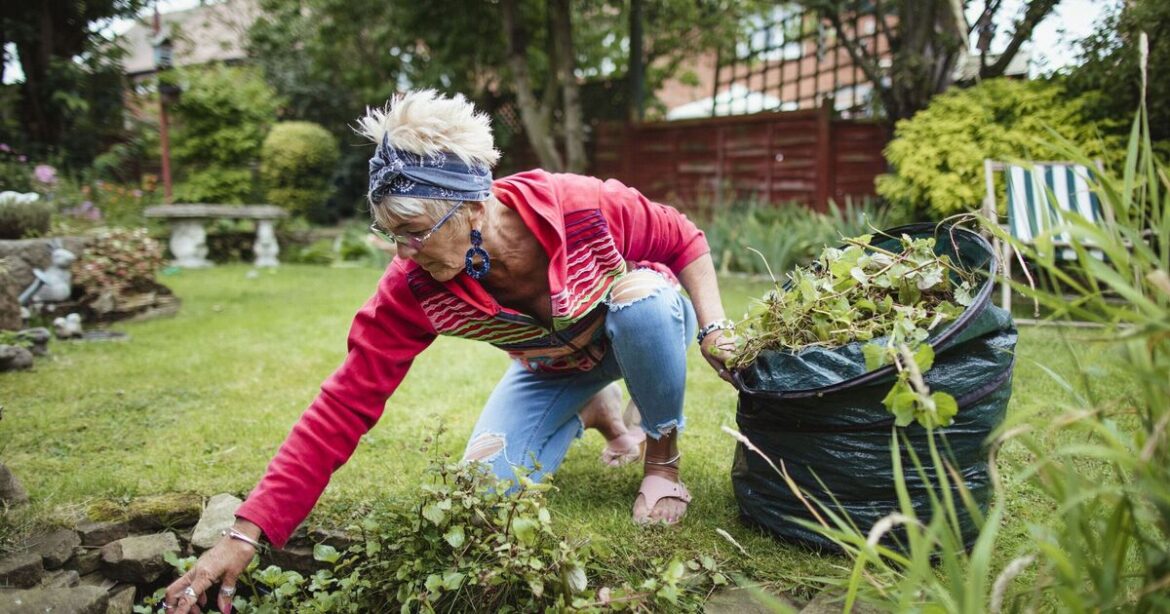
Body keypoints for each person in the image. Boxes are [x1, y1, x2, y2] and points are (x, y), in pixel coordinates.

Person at [163, 90, 736, 613]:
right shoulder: (412, 285)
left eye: (414, 230)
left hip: (639, 325)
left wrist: (712, 328)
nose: (405, 253)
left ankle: (661, 458)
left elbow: (682, 237)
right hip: (551, 365)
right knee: (482, 494)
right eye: (392, 234)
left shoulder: (578, 204)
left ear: (472, 204)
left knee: (645, 304)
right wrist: (247, 531)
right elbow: (342, 405)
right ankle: (598, 407)